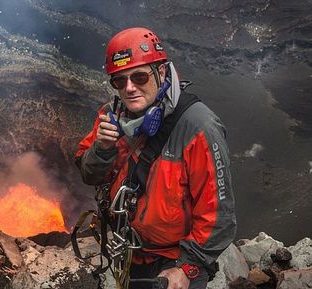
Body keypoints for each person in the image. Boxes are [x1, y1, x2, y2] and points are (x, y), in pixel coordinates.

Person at [74, 27, 236, 289]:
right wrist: (102, 148)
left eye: (139, 77)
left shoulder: (198, 127)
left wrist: (187, 268)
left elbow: (219, 215)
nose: (129, 88)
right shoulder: (112, 115)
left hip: (173, 261)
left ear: (160, 72)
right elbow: (89, 175)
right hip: (127, 252)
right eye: (119, 80)